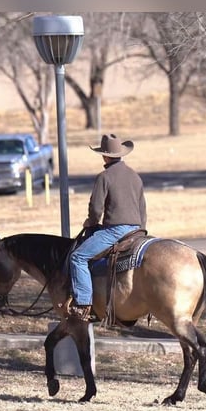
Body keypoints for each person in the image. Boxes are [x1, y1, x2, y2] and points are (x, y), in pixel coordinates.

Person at [66, 133, 147, 321]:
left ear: (105, 155)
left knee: (78, 257)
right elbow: (142, 208)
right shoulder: (135, 177)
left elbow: (96, 208)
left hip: (115, 230)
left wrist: (91, 222)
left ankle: (83, 303)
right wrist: (141, 230)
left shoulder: (104, 177)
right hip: (137, 230)